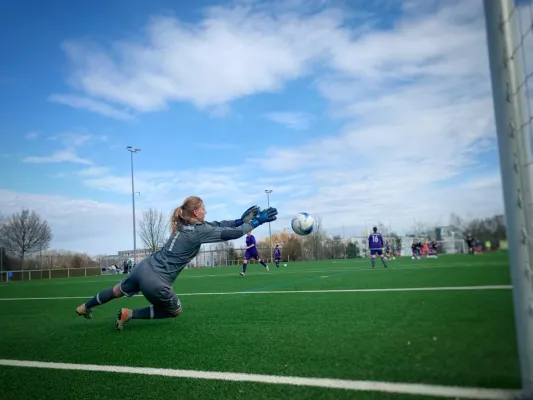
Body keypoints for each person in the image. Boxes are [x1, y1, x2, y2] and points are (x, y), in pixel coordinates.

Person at [75, 196, 277, 331]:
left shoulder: (184, 223)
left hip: (143, 267)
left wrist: (238, 220)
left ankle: (85, 306)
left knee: (116, 290)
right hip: (157, 281)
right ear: (196, 213)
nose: (206, 210)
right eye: (204, 208)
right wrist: (256, 222)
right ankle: (130, 314)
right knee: (175, 311)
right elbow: (232, 234)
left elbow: (218, 225)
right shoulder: (199, 231)